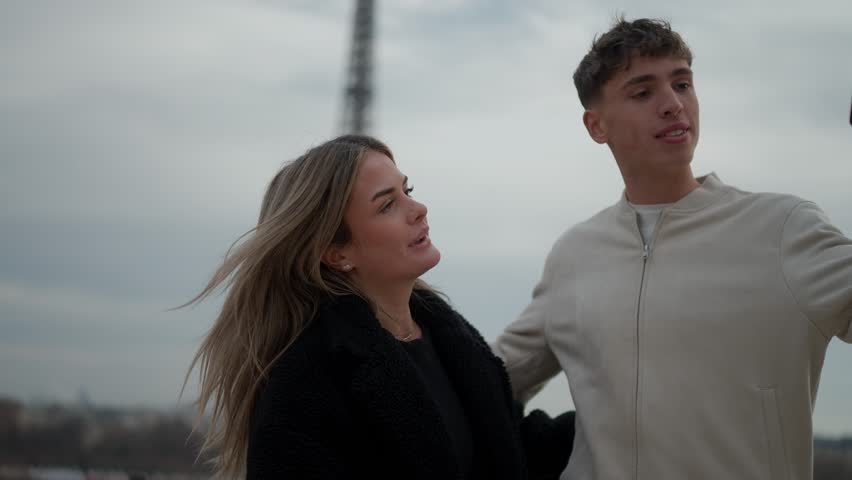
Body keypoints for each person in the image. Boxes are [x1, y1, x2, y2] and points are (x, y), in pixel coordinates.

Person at [493, 17, 852, 480]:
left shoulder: (784, 229)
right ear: (596, 125)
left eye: (682, 83)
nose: (672, 104)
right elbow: (484, 380)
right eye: (643, 92)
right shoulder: (574, 255)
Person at [185, 135, 575, 479]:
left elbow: (506, 449)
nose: (418, 208)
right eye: (387, 205)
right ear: (336, 253)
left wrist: (615, 418)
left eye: (407, 190)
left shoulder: (451, 337)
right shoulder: (306, 376)